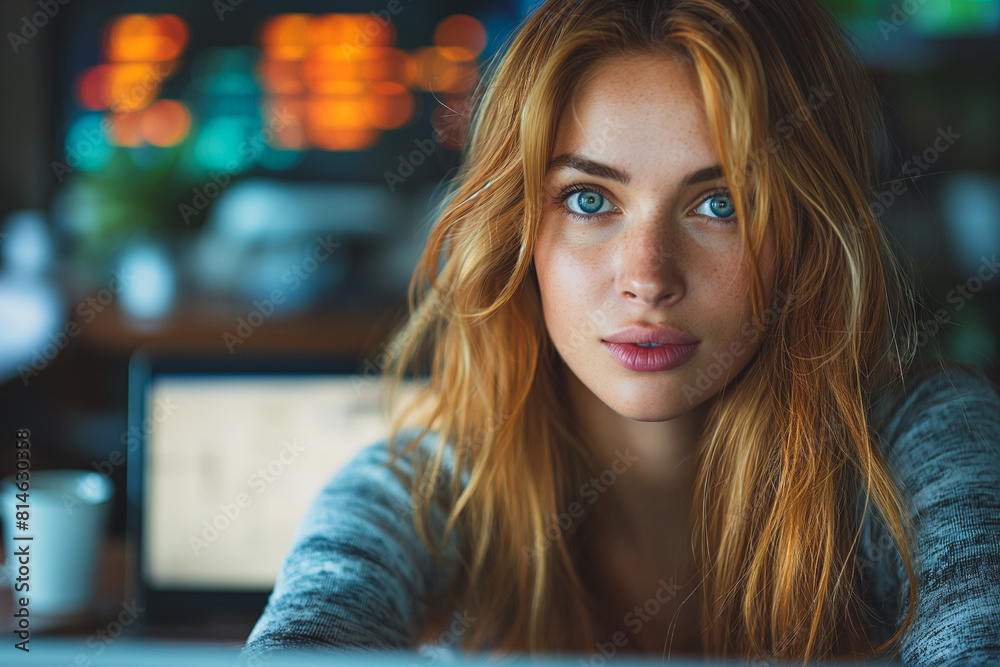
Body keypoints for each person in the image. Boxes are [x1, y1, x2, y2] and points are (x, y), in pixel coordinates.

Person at [242, 0, 1000, 663]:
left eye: (722, 204)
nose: (647, 276)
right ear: (518, 231)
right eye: (588, 199)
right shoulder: (425, 492)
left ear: (807, 234)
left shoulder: (919, 453)